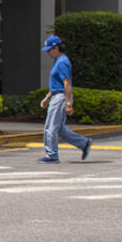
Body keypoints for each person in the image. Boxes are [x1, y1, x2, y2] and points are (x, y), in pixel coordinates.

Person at [39, 34, 92, 163]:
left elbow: (66, 84)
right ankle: (83, 143)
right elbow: (57, 85)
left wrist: (68, 103)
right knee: (59, 128)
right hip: (58, 96)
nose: (49, 53)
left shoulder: (62, 62)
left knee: (50, 127)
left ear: (56, 48)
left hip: (60, 98)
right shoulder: (60, 61)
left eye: (50, 50)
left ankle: (52, 156)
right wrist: (47, 97)